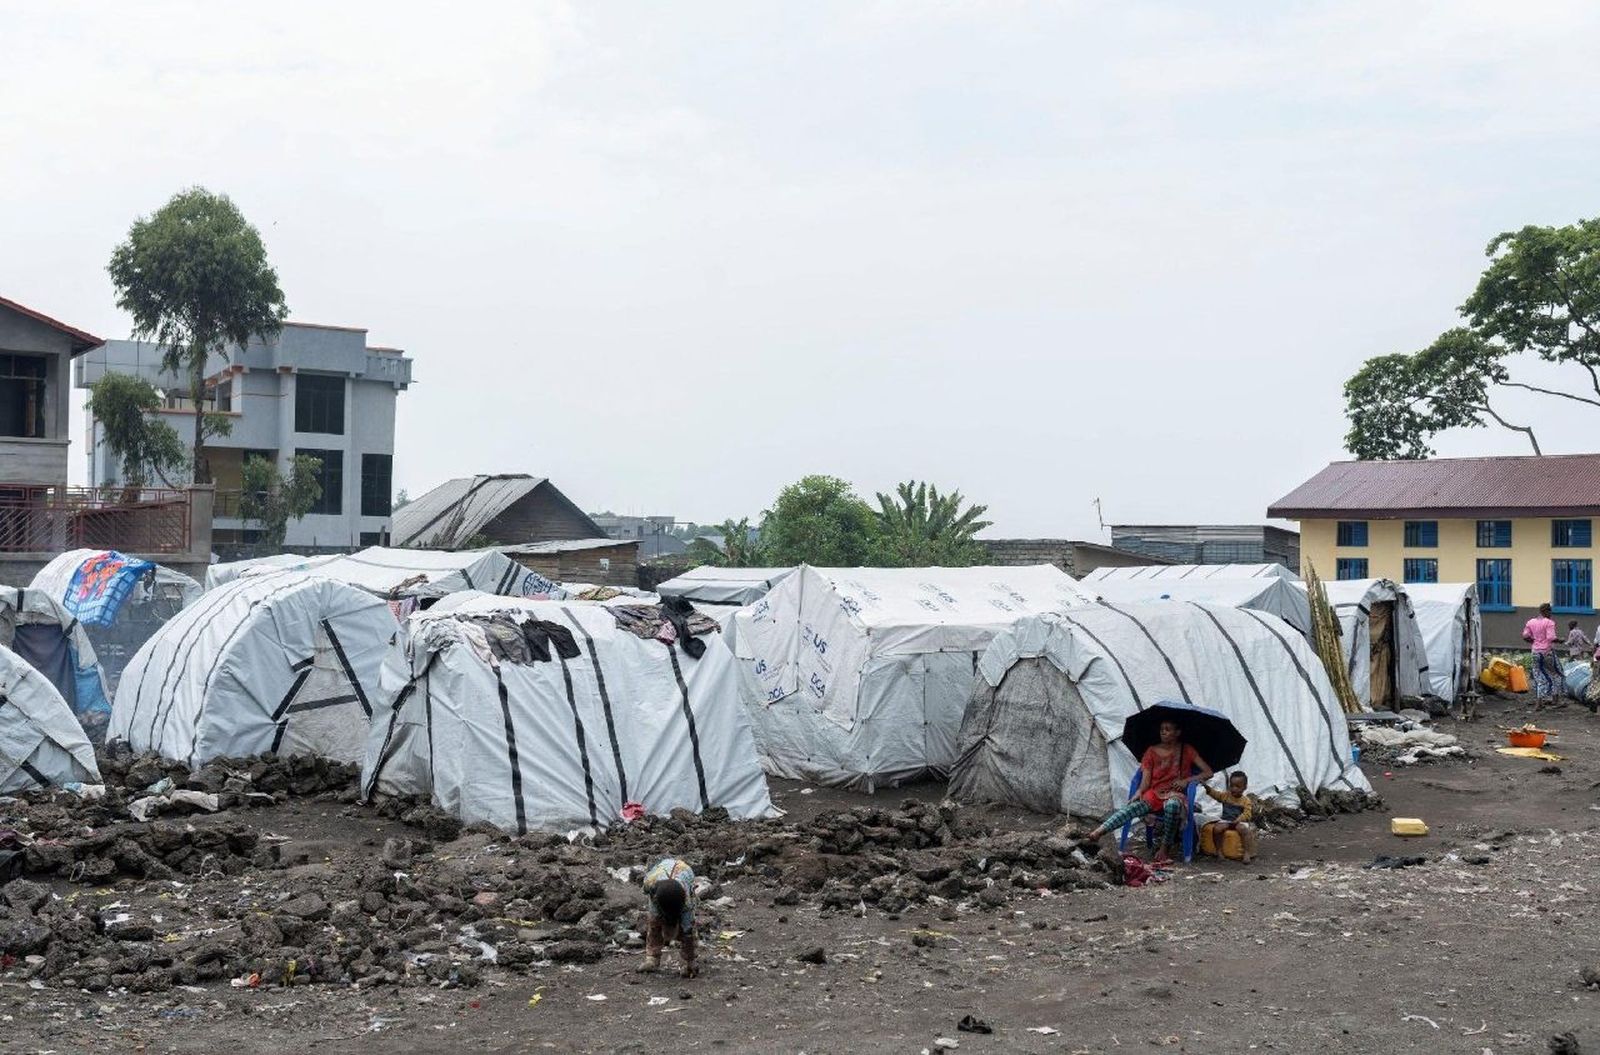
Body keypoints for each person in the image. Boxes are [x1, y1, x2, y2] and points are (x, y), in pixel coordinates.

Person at [1077, 719, 1213, 864]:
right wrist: (1138, 792)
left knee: (1172, 805)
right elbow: (1146, 780)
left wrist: (1186, 781)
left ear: (1177, 732)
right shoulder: (1151, 751)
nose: (1163, 732)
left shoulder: (1187, 750)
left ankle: (1164, 848)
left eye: (1168, 729)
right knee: (1132, 808)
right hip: (1155, 794)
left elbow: (1208, 772)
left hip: (1176, 795)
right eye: (1162, 729)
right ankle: (1098, 832)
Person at [638, 857, 698, 977]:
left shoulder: (686, 903)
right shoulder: (650, 883)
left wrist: (691, 962)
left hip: (684, 871)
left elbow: (688, 930)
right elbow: (645, 891)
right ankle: (652, 958)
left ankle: (688, 961)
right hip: (660, 882)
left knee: (688, 928)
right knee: (654, 922)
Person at [1202, 771, 1259, 864]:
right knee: (1217, 829)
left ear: (1244, 787)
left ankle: (1247, 853)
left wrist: (1239, 819)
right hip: (1226, 820)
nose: (1233, 789)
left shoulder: (1245, 801)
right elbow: (1216, 795)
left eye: (1237, 786)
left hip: (1239, 821)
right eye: (1231, 786)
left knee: (1244, 830)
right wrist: (1207, 788)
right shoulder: (1226, 796)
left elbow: (1247, 814)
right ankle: (1219, 851)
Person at [1524, 603, 1560, 710]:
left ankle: (1539, 703)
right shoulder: (1549, 622)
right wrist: (1560, 640)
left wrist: (1535, 642)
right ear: (1546, 612)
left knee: (1538, 676)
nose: (1551, 614)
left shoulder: (1531, 622)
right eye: (1550, 612)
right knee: (1554, 674)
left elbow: (1525, 636)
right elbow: (1551, 638)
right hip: (1547, 652)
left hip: (1535, 652)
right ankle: (1555, 700)